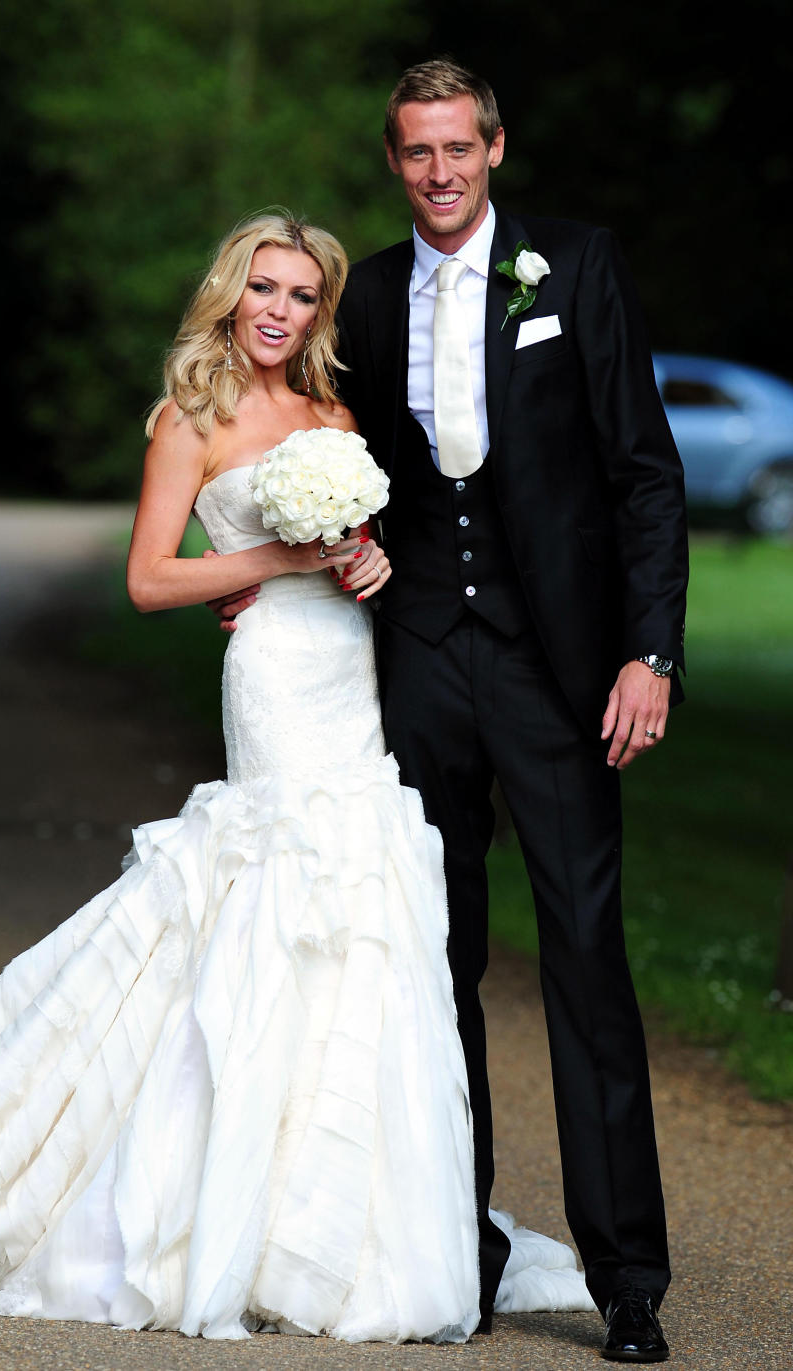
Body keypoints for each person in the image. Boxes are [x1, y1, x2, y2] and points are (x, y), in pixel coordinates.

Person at [0, 213, 597, 1341]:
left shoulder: (337, 412)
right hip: (277, 678)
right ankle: (207, 1196)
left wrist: (366, 559)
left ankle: (330, 1206)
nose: (280, 311)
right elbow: (150, 578)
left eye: (301, 294)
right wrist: (273, 561)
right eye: (264, 289)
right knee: (276, 898)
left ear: (319, 308)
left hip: (352, 674)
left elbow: (363, 549)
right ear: (231, 296)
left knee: (360, 916)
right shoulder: (189, 419)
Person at [335, 60, 689, 1363]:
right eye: (416, 152)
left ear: (495, 147)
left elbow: (646, 472)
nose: (438, 172)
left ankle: (629, 1276)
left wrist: (649, 652)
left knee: (586, 953)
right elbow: (339, 456)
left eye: (457, 149)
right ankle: (457, 1246)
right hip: (424, 656)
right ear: (396, 160)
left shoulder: (575, 267)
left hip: (559, 670)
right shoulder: (368, 293)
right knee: (440, 959)